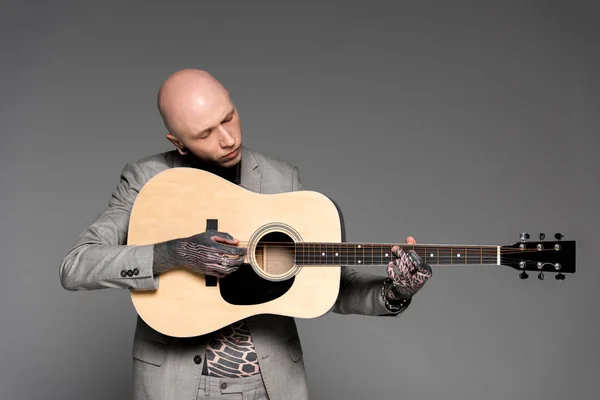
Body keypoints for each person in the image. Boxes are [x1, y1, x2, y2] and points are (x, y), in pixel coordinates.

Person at [59, 69, 433, 400]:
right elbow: (76, 265)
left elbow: (326, 286)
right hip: (176, 384)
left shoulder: (281, 178)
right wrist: (171, 254)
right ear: (178, 142)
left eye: (229, 117)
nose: (227, 139)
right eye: (206, 133)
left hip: (269, 383)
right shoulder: (147, 180)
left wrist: (394, 291)